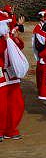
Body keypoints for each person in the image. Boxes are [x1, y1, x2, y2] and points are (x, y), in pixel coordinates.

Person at [0, 12, 27, 141]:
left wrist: (15, 38)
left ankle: (10, 129)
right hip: (1, 75)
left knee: (17, 103)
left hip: (11, 74)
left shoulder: (8, 36)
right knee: (2, 105)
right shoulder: (4, 39)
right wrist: (6, 40)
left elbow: (19, 47)